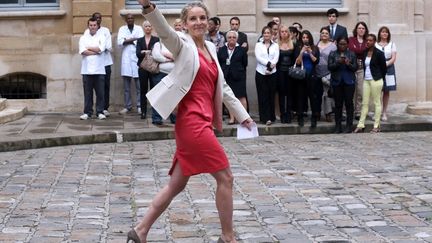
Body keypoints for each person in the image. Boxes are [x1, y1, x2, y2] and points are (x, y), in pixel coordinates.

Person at [129, 2, 254, 243]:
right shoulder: (181, 44)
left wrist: (243, 115)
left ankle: (140, 230)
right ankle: (228, 238)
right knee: (225, 178)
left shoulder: (209, 46)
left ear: (208, 22)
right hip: (192, 123)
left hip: (203, 122)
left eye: (202, 18)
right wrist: (149, 7)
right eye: (193, 19)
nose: (198, 22)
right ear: (185, 24)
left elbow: (223, 87)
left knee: (176, 185)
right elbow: (164, 30)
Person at [354, 34, 387, 133]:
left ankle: (376, 126)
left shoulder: (379, 53)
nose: (368, 42)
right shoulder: (364, 52)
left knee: (377, 102)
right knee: (364, 103)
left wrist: (380, 78)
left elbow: (384, 68)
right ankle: (360, 125)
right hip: (366, 80)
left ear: (374, 42)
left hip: (376, 80)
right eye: (367, 40)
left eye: (370, 40)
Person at [84, 12, 113, 117]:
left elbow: (107, 46)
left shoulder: (105, 31)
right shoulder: (87, 31)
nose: (98, 20)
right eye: (96, 18)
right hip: (93, 64)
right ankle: (89, 110)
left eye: (100, 18)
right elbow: (84, 47)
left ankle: (104, 108)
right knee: (92, 88)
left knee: (105, 86)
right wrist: (97, 48)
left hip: (106, 62)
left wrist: (97, 47)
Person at [328, 36, 358, 133]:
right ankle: (338, 126)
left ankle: (349, 126)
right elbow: (330, 67)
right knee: (338, 105)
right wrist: (338, 62)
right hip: (337, 82)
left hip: (349, 82)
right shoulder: (333, 54)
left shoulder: (352, 54)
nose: (342, 46)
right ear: (337, 44)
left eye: (344, 44)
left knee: (349, 104)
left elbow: (355, 68)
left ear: (347, 44)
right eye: (340, 44)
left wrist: (348, 63)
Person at [78, 17, 106, 120]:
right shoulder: (83, 38)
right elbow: (82, 51)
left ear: (98, 26)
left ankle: (100, 112)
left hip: (99, 70)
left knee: (100, 93)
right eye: (91, 25)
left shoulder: (102, 36)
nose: (93, 27)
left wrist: (88, 47)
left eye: (94, 25)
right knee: (88, 93)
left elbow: (101, 49)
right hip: (86, 70)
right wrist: (95, 51)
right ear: (88, 26)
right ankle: (87, 112)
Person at [218, 30, 248, 125]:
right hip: (227, 76)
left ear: (237, 39)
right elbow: (219, 62)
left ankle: (244, 117)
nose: (232, 39)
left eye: (234, 37)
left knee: (241, 97)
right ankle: (232, 118)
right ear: (227, 39)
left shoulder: (241, 50)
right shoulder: (222, 49)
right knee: (230, 97)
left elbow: (245, 63)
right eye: (230, 37)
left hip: (239, 76)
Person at [117, 13, 144, 115]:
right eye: (128, 18)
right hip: (126, 60)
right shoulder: (122, 29)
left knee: (139, 86)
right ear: (125, 20)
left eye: (132, 18)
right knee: (126, 87)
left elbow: (140, 41)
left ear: (134, 19)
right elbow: (120, 42)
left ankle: (139, 106)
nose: (130, 20)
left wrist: (127, 40)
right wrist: (133, 39)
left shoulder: (139, 28)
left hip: (137, 60)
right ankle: (128, 106)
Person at [295, 30, 320, 127]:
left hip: (312, 75)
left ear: (310, 38)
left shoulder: (315, 48)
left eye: (307, 37)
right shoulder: (298, 48)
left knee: (313, 97)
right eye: (303, 37)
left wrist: (310, 52)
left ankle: (314, 117)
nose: (305, 39)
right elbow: (297, 62)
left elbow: (316, 61)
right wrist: (301, 52)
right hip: (301, 75)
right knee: (300, 97)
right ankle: (300, 117)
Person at [255, 26, 279, 125]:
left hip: (272, 73)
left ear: (271, 34)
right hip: (261, 72)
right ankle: (265, 118)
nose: (266, 35)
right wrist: (268, 64)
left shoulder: (275, 45)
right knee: (262, 95)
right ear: (262, 34)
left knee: (271, 95)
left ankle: (271, 117)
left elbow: (276, 57)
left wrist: (271, 68)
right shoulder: (258, 45)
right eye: (265, 33)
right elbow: (258, 57)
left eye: (268, 33)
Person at [136, 20, 159, 119]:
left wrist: (144, 51)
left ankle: (155, 113)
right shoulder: (140, 40)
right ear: (143, 28)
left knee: (154, 90)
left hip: (153, 68)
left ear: (152, 28)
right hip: (142, 68)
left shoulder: (156, 39)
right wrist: (148, 52)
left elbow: (157, 52)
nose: (148, 28)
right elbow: (137, 53)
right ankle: (143, 112)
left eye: (149, 26)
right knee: (143, 90)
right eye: (146, 26)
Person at [150, 41, 176, 125]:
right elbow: (157, 57)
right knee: (158, 96)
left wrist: (165, 54)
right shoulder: (158, 44)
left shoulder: (174, 44)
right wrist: (169, 58)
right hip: (160, 73)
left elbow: (178, 56)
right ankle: (157, 118)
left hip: (174, 74)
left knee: (173, 96)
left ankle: (174, 117)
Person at [348, 21, 369, 120]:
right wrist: (359, 50)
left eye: (363, 28)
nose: (361, 30)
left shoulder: (367, 41)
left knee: (360, 91)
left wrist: (357, 50)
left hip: (361, 68)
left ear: (365, 30)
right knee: (349, 90)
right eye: (359, 28)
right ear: (356, 30)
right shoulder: (351, 39)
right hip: (351, 68)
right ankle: (348, 111)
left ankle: (358, 111)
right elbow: (351, 50)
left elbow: (356, 51)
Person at [376, 26, 397, 121]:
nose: (384, 34)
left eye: (386, 32)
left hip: (389, 68)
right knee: (377, 90)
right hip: (377, 68)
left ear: (388, 34)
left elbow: (393, 58)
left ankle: (384, 112)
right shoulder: (375, 44)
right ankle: (377, 112)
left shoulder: (392, 44)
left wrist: (386, 64)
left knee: (386, 90)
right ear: (379, 34)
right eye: (383, 32)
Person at [316, 26, 337, 123]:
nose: (324, 35)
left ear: (329, 35)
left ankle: (328, 113)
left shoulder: (333, 46)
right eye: (322, 33)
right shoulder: (316, 45)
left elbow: (335, 60)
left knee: (327, 94)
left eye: (326, 33)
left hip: (329, 73)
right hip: (317, 73)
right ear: (320, 35)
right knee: (318, 94)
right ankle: (318, 113)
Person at [276, 24, 296, 123]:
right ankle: (282, 114)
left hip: (290, 71)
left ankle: (288, 114)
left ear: (288, 33)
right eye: (282, 31)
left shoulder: (293, 44)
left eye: (285, 31)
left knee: (289, 93)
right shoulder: (276, 44)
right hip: (280, 71)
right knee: (281, 93)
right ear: (279, 34)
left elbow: (295, 59)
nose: (284, 33)